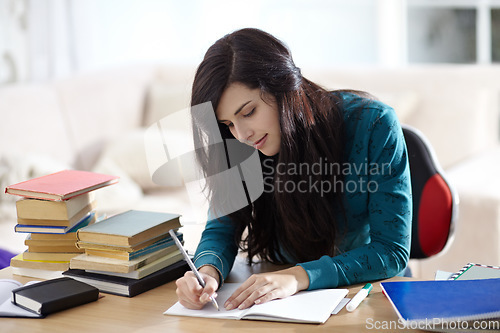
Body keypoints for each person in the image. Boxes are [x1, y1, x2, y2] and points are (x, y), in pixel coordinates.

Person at [175, 28, 412, 311]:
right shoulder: (238, 144)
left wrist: (298, 277)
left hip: (360, 294)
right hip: (277, 296)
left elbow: (391, 251)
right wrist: (207, 272)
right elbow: (223, 225)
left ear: (284, 86)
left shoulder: (373, 124)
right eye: (227, 124)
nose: (242, 135)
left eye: (248, 112)